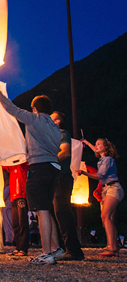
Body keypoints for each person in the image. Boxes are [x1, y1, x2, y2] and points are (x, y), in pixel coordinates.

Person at [0, 81, 62, 265]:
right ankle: (56, 248)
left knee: (42, 212)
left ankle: (47, 253)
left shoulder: (35, 119)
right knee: (47, 209)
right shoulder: (56, 129)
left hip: (38, 168)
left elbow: (12, 109)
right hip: (54, 168)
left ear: (34, 108)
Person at [78, 138, 124, 256]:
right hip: (108, 189)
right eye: (96, 144)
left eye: (99, 144)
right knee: (110, 219)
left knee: (105, 216)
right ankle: (114, 246)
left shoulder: (107, 159)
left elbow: (100, 175)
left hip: (113, 188)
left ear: (106, 148)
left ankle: (112, 247)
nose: (96, 146)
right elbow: (95, 149)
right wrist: (87, 143)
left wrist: (83, 173)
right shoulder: (104, 158)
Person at [50, 111, 84, 261]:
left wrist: (49, 162)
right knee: (57, 214)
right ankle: (64, 248)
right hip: (56, 178)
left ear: (57, 121)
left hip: (62, 177)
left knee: (62, 213)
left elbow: (65, 152)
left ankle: (74, 250)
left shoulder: (62, 134)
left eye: (50, 118)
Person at [4, 162, 30, 256]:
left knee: (22, 221)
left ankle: (23, 248)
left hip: (21, 195)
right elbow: (4, 163)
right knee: (15, 222)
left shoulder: (23, 164)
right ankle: (18, 247)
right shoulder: (12, 166)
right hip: (13, 195)